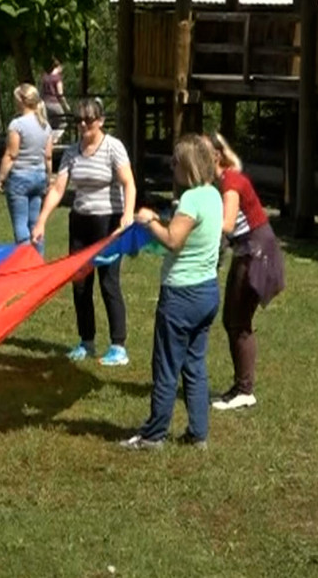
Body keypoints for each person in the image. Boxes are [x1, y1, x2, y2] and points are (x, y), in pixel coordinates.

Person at [121, 135, 223, 450]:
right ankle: (198, 433)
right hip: (207, 291)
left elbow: (173, 240)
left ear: (187, 165)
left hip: (182, 296)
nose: (171, 166)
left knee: (166, 365)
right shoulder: (213, 196)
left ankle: (154, 435)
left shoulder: (192, 199)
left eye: (175, 161)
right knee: (195, 364)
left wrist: (149, 220)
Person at [31, 98, 137, 366]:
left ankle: (118, 346)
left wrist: (127, 215)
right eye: (78, 120)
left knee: (108, 282)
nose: (83, 126)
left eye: (88, 121)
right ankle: (86, 341)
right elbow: (58, 189)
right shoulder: (72, 152)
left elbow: (129, 183)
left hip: (109, 223)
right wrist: (42, 220)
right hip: (80, 222)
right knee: (80, 284)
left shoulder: (113, 147)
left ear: (100, 121)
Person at [208, 132, 285, 411]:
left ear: (215, 156)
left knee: (238, 321)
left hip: (255, 252)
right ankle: (241, 386)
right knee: (233, 320)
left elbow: (227, 225)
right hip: (248, 249)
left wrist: (193, 222)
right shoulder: (224, 179)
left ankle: (245, 390)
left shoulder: (229, 182)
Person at [0, 83, 53, 254]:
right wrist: (49, 178)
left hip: (20, 177)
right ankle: (38, 261)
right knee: (35, 223)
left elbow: (11, 154)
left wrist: (0, 180)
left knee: (20, 224)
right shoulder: (45, 125)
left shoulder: (17, 124)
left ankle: (23, 261)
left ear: (22, 101)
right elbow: (48, 156)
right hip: (39, 176)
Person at [40, 58, 70, 143]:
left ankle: (47, 139)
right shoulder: (57, 78)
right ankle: (55, 139)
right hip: (54, 102)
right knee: (63, 122)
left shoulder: (45, 77)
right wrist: (65, 105)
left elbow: (41, 91)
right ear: (59, 67)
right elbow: (60, 94)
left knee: (49, 122)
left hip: (45, 102)